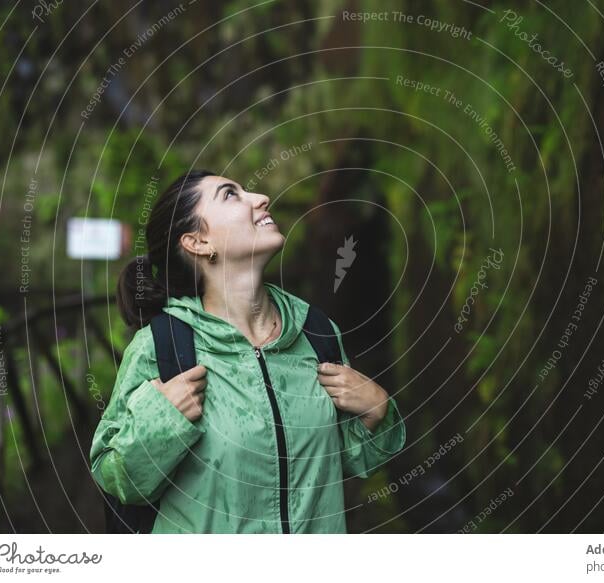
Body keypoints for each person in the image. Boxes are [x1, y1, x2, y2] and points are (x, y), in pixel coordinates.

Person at [89, 170, 406, 533]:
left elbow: (341, 462)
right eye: (230, 195)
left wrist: (376, 412)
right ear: (198, 242)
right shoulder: (162, 347)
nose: (260, 198)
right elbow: (116, 479)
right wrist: (160, 420)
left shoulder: (315, 332)